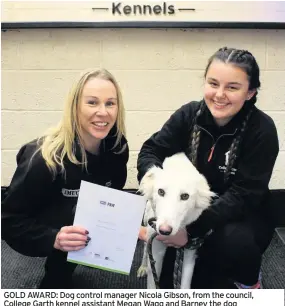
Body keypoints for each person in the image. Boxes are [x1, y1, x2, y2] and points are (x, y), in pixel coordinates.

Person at [137, 47, 279, 289]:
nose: (220, 94)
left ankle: (250, 281)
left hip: (240, 218)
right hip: (191, 210)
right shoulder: (189, 114)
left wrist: (191, 231)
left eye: (232, 87)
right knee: (171, 280)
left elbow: (244, 195)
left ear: (250, 92)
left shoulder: (262, 131)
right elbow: (151, 151)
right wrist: (155, 180)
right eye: (213, 83)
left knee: (234, 245)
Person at [2, 68, 129, 289]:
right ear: (75, 107)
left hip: (73, 215)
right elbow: (8, 220)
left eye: (110, 103)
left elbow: (111, 197)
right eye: (92, 102)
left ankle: (64, 265)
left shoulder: (117, 147)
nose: (103, 112)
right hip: (40, 220)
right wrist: (53, 238)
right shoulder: (43, 160)